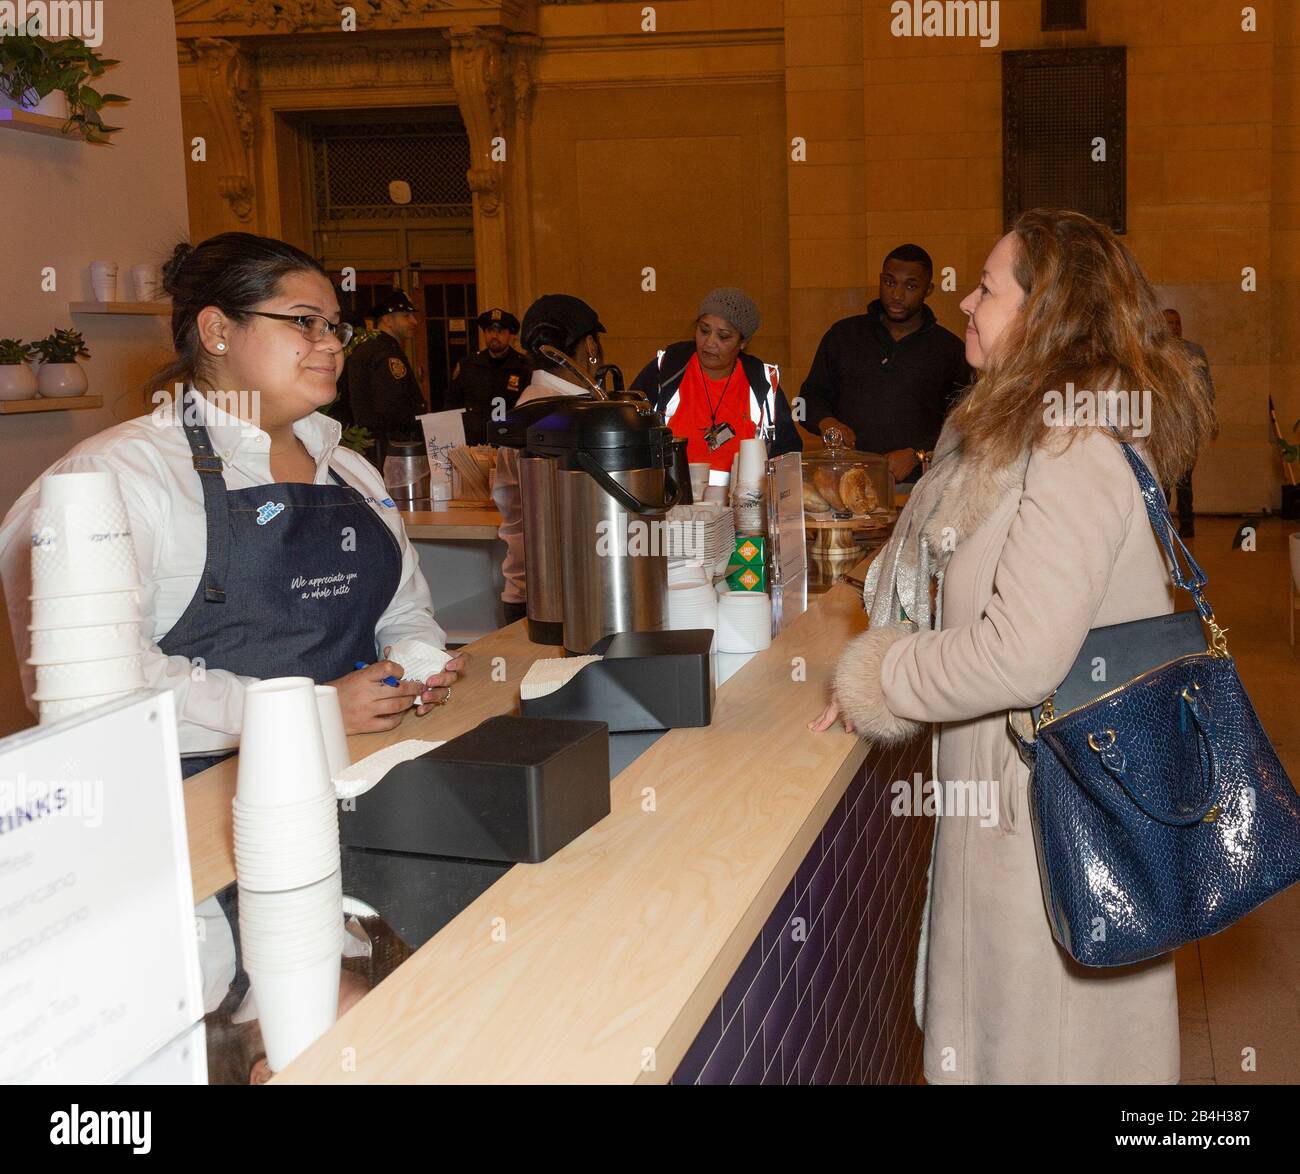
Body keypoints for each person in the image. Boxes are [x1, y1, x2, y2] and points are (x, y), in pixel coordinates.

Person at [0, 232, 469, 1021]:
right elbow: (79, 689)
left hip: (358, 792)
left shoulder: (348, 468)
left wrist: (416, 662)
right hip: (196, 826)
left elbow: (404, 609)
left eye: (336, 327)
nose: (330, 345)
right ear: (218, 331)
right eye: (304, 322)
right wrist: (307, 708)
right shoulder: (113, 478)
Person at [811, 209, 1214, 1084]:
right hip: (1020, 802)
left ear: (1048, 314)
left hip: (1046, 818)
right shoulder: (1028, 433)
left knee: (1044, 1053)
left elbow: (1020, 652)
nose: (964, 297)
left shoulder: (1073, 445)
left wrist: (881, 674)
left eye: (988, 286)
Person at [800, 244, 969, 485]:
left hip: (917, 486)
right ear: (880, 280)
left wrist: (917, 453)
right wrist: (827, 422)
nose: (897, 295)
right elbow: (808, 399)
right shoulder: (843, 335)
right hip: (843, 482)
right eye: (890, 282)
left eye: (910, 286)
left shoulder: (949, 349)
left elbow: (965, 422)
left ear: (928, 289)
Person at [492, 294, 606, 624]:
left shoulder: (529, 406)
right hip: (554, 600)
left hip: (530, 590)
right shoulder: (560, 415)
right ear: (589, 346)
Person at [630, 288, 801, 493]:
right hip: (670, 503)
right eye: (704, 330)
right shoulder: (666, 370)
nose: (710, 343)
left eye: (723, 336)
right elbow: (629, 429)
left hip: (744, 510)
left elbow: (788, 455)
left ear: (743, 342)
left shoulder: (762, 383)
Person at [340, 288, 426, 468]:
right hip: (388, 446)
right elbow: (391, 404)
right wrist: (418, 426)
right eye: (406, 316)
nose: (414, 321)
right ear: (387, 320)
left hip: (370, 445)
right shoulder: (385, 352)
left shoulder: (368, 347)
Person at [1163, 307, 1216, 538]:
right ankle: (1162, 524)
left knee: (1185, 478)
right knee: (1163, 477)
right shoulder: (1152, 353)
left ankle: (1187, 523)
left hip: (1188, 426)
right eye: (1169, 323)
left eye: (1177, 323)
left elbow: (1207, 387)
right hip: (1162, 426)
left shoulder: (1195, 351)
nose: (1174, 327)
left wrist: (1211, 416)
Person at [445, 308, 533, 445]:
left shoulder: (523, 367)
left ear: (511, 335)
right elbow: (452, 404)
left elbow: (529, 410)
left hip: (509, 442)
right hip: (474, 443)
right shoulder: (468, 365)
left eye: (500, 332)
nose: (494, 336)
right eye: (490, 331)